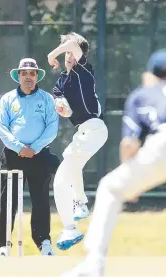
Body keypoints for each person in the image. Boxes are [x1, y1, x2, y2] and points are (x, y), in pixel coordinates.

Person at [61, 49, 166, 277]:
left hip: (163, 142)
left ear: (151, 75)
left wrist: (129, 180)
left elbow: (130, 143)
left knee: (110, 187)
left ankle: (94, 264)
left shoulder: (144, 93)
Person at [47, 32, 108, 250]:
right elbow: (62, 107)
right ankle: (72, 222)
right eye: (66, 55)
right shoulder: (61, 82)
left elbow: (72, 44)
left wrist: (52, 53)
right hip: (82, 132)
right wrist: (61, 107)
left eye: (71, 54)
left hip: (95, 128)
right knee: (63, 177)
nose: (69, 58)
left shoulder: (84, 70)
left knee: (68, 161)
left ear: (80, 55)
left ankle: (79, 205)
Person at [0, 58, 60, 256]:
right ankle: (4, 244)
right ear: (19, 76)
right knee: (8, 200)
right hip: (12, 155)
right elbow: (2, 128)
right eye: (24, 73)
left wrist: (35, 148)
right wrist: (18, 147)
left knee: (40, 199)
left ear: (37, 76)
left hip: (39, 155)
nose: (28, 77)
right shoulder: (7, 99)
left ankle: (44, 242)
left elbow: (52, 127)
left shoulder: (46, 99)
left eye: (32, 73)